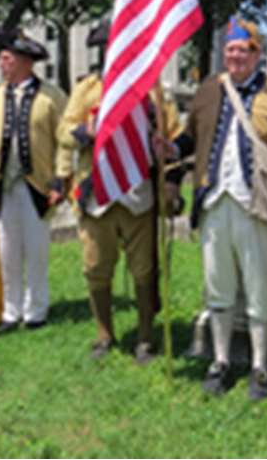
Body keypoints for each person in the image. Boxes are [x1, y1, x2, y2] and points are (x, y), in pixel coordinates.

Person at [159, 16, 267, 400]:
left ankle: (259, 366)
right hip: (215, 200)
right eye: (231, 50)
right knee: (217, 289)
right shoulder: (208, 91)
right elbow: (189, 138)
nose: (236, 56)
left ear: (257, 54)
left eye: (244, 50)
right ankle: (220, 361)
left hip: (261, 204)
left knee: (260, 291)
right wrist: (172, 150)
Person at [55, 24, 183, 362]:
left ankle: (144, 337)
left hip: (139, 192)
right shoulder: (87, 89)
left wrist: (170, 180)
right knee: (96, 265)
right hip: (98, 193)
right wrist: (87, 131)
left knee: (143, 269)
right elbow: (63, 130)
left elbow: (174, 136)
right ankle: (104, 334)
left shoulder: (152, 89)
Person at [0, 30, 67, 335]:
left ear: (25, 61)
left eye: (6, 58)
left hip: (38, 183)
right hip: (5, 184)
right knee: (7, 249)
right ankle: (11, 311)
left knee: (36, 248)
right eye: (1, 59)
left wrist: (59, 181)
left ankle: (36, 309)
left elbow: (65, 142)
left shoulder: (52, 97)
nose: (1, 64)